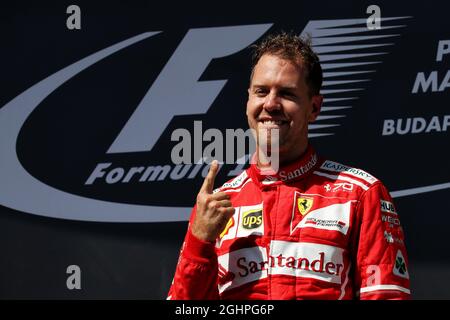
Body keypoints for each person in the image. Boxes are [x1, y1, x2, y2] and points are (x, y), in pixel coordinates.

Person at [167, 32, 410, 300]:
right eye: (261, 91)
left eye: (286, 93)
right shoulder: (219, 204)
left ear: (314, 108)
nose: (270, 104)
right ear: (248, 100)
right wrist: (198, 243)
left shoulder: (359, 194)